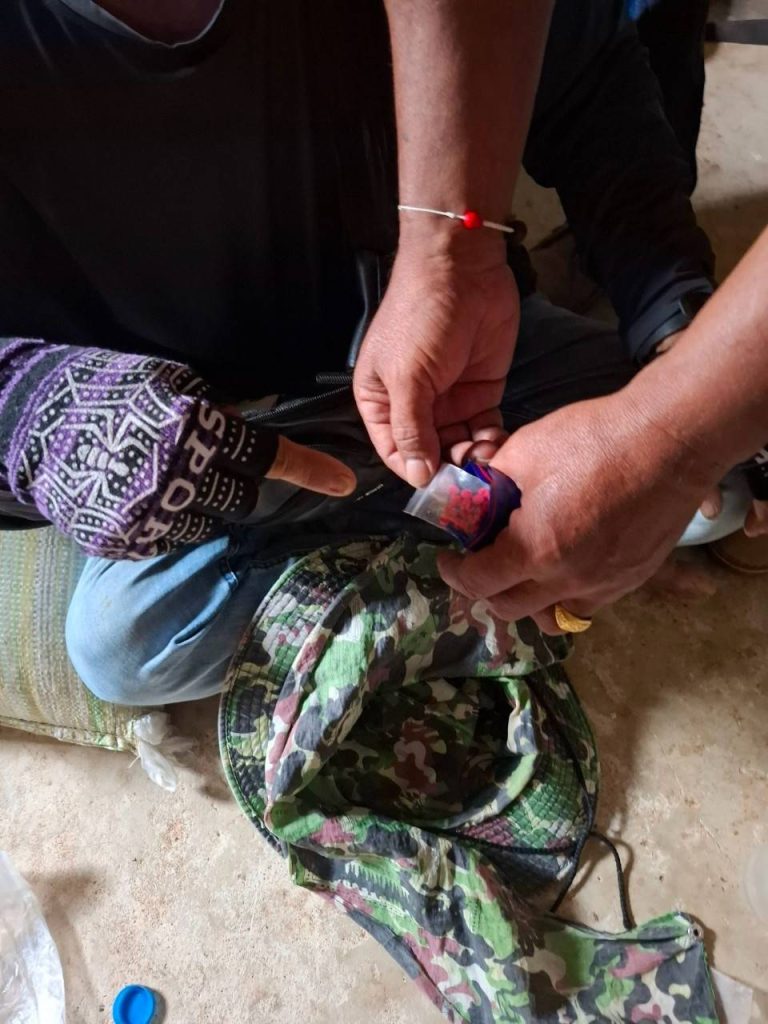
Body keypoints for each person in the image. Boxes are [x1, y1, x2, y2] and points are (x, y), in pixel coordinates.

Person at [0, 0, 757, 704]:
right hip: (210, 445)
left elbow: (585, 78)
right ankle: (502, 558)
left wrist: (678, 351)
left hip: (458, 357)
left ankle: (519, 534)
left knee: (719, 480)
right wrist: (31, 406)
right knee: (125, 644)